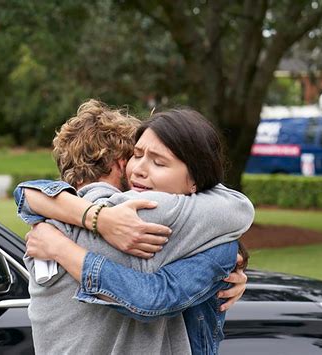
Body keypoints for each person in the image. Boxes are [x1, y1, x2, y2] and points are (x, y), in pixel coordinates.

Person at [14, 100, 254, 354]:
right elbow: (238, 208)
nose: (139, 169)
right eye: (136, 156)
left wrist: (70, 237)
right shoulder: (146, 212)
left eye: (157, 161)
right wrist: (225, 258)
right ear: (121, 163)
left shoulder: (48, 222)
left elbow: (26, 193)